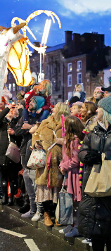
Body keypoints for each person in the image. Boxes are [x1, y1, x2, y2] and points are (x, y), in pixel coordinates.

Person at [78, 96, 111, 251]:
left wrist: (104, 158)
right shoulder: (93, 131)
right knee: (96, 229)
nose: (96, 110)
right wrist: (86, 156)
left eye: (100, 108)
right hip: (93, 181)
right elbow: (82, 150)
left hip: (109, 184)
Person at [30, 103, 70, 226]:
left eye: (55, 108)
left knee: (58, 188)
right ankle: (46, 214)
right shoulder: (45, 122)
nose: (53, 109)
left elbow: (74, 139)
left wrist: (62, 141)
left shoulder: (67, 124)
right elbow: (35, 134)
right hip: (45, 159)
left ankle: (58, 214)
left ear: (61, 110)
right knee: (45, 188)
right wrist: (36, 143)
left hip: (59, 159)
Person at [14, 100, 43, 217]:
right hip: (25, 149)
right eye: (30, 102)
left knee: (36, 182)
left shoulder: (43, 115)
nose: (30, 103)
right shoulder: (25, 116)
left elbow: (42, 129)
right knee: (27, 178)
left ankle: (39, 210)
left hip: (37, 150)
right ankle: (30, 206)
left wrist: (31, 126)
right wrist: (28, 129)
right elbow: (17, 130)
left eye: (33, 102)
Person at [58, 116, 85, 237]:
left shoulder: (75, 141)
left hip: (74, 174)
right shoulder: (69, 140)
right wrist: (62, 165)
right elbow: (66, 158)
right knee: (71, 201)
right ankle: (71, 224)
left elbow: (75, 160)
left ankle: (77, 227)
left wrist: (64, 166)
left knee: (75, 201)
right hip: (69, 172)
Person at [0, 103, 22, 205]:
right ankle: (5, 197)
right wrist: (7, 108)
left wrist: (15, 133)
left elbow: (22, 134)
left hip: (13, 155)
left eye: (13, 110)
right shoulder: (2, 123)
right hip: (2, 154)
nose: (11, 111)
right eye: (10, 110)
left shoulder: (18, 122)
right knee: (3, 178)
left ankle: (12, 198)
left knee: (13, 178)